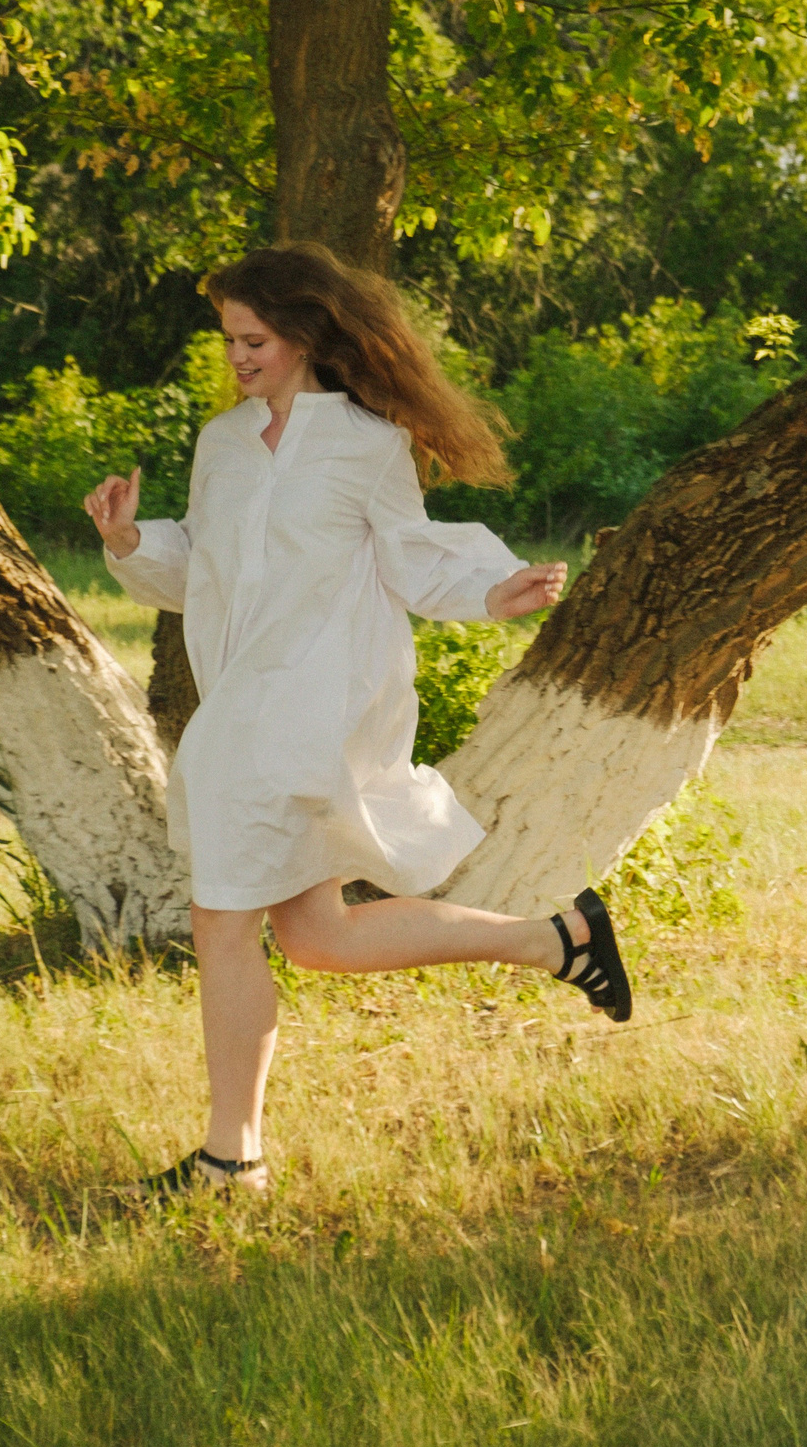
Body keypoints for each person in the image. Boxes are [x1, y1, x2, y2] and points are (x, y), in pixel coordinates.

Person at [84, 243, 631, 1197]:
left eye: (253, 339)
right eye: (229, 342)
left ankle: (229, 1157)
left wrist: (494, 591)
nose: (238, 358)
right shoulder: (221, 444)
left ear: (302, 334)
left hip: (318, 704)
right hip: (243, 704)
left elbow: (416, 556)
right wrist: (130, 541)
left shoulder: (367, 444)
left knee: (221, 919)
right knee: (314, 935)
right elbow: (201, 570)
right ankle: (557, 939)